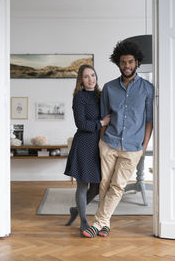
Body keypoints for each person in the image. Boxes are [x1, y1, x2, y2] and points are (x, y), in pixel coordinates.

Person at [82, 40, 154, 238]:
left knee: (118, 185)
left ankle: (97, 224)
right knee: (104, 183)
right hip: (109, 143)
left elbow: (149, 121)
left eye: (131, 62)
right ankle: (105, 223)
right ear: (118, 63)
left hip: (133, 146)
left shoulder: (148, 89)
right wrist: (100, 143)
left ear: (137, 63)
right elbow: (104, 118)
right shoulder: (108, 88)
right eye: (123, 62)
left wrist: (144, 146)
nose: (127, 66)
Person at [64, 64, 111, 232]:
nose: (91, 79)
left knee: (97, 187)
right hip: (83, 144)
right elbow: (81, 123)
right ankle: (83, 221)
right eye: (86, 76)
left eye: (93, 75)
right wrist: (101, 123)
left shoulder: (101, 95)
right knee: (82, 186)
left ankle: (76, 209)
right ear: (81, 81)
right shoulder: (79, 97)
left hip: (100, 145)